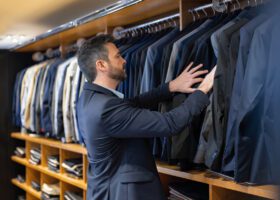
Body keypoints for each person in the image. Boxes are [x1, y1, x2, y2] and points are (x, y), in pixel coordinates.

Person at [76, 35, 216, 200]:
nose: (124, 60)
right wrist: (204, 88)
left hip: (108, 189)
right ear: (101, 65)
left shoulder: (89, 98)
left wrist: (171, 86)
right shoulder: (107, 108)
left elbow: (133, 103)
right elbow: (170, 123)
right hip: (123, 194)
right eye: (118, 56)